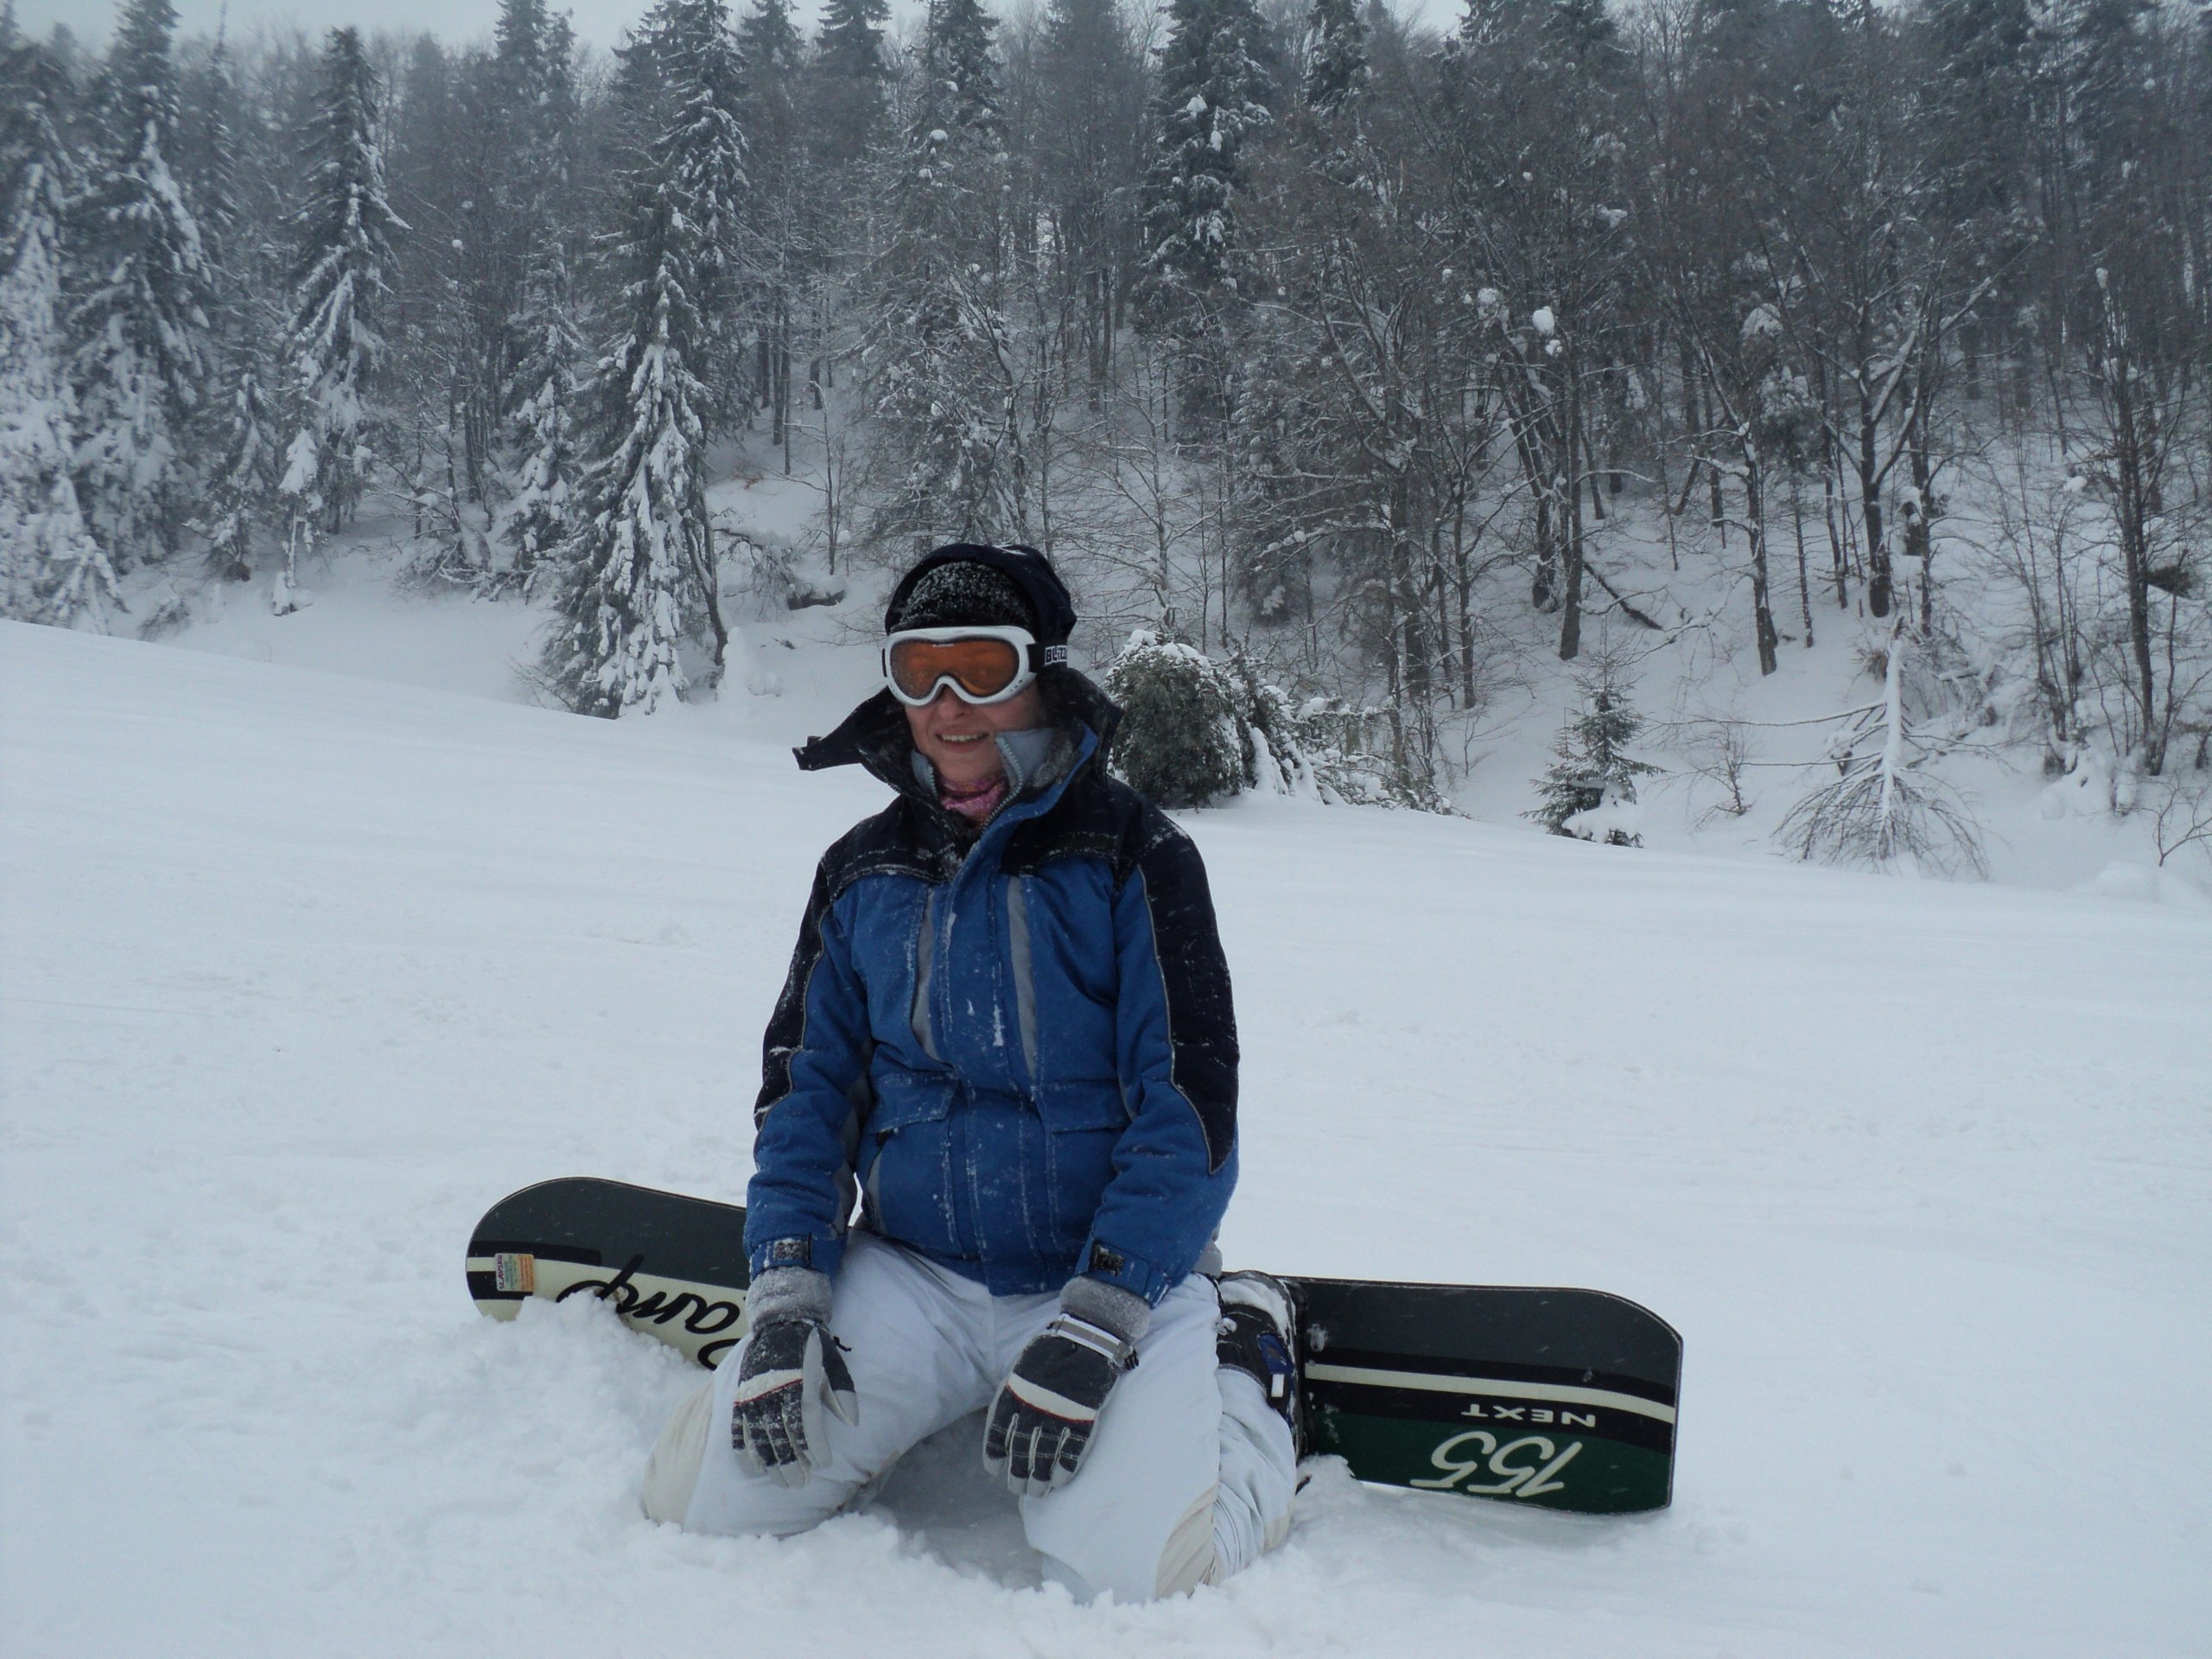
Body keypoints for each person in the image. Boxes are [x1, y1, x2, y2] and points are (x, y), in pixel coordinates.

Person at [639, 543, 1302, 1600]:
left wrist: (1102, 1314)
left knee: (1147, 1575)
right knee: (708, 1504)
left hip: (1099, 1272)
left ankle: (1243, 1353)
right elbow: (808, 1093)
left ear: (1043, 674)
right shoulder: (860, 870)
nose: (949, 704)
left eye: (983, 668)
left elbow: (1188, 1108)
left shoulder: (1137, 856)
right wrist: (787, 1292)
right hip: (917, 1272)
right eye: (920, 670)